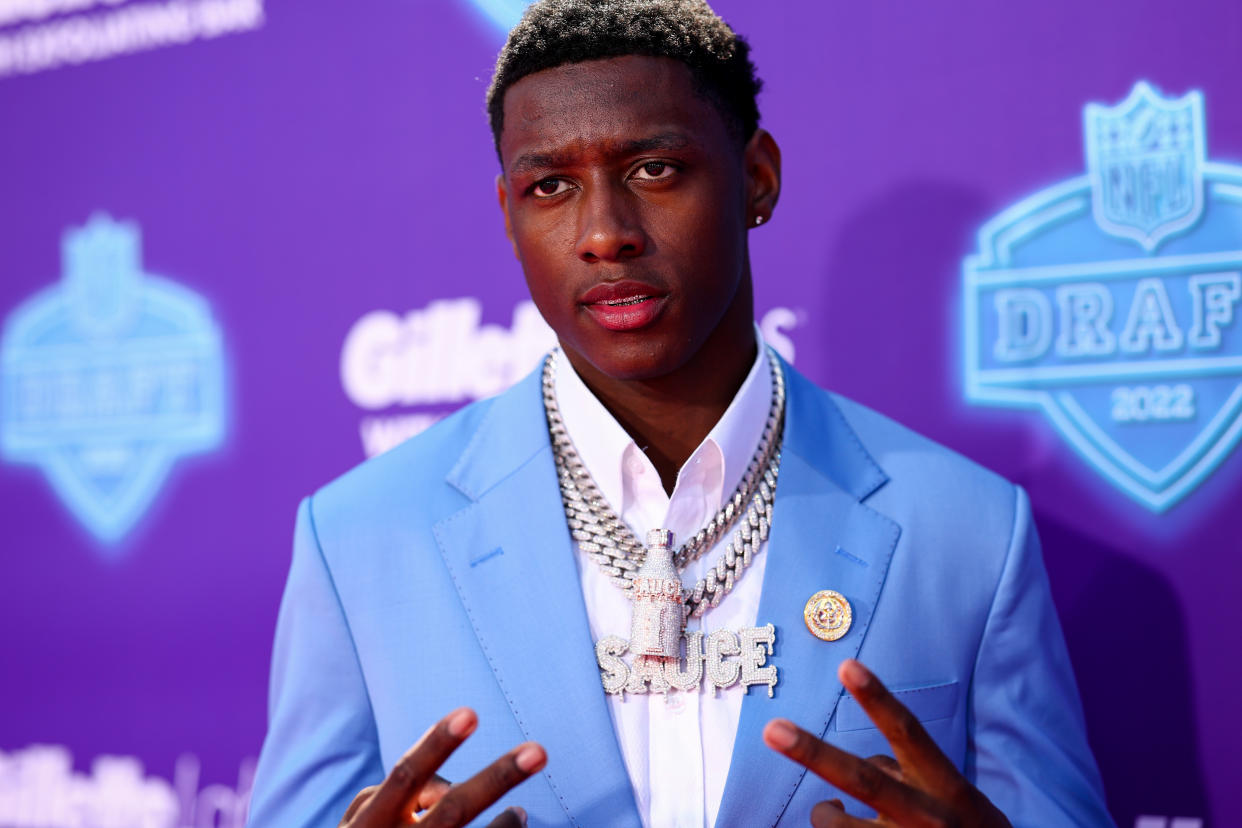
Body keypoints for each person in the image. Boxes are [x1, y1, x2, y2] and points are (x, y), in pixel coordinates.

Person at [248, 1, 1114, 826]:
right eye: (551, 186)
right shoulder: (362, 536)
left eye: (653, 170)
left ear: (757, 179)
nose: (604, 232)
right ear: (509, 219)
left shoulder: (965, 528)